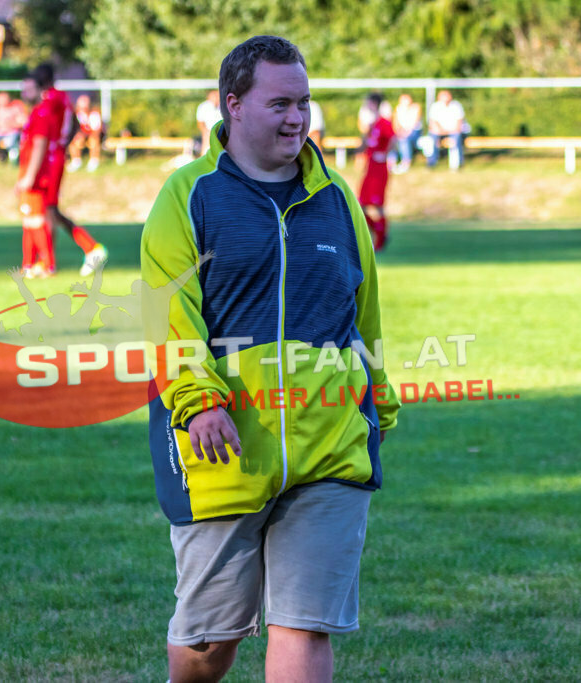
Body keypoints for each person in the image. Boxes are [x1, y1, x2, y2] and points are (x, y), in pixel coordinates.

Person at [141, 35, 399, 682]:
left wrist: (379, 404)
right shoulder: (188, 195)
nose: (297, 118)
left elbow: (363, 309)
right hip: (222, 447)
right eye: (281, 102)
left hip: (331, 442)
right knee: (209, 642)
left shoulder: (337, 198)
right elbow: (169, 315)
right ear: (233, 105)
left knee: (305, 624)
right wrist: (198, 401)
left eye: (304, 102)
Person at [15, 64, 106, 277]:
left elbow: (42, 136)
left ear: (40, 85)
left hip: (51, 158)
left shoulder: (49, 102)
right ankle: (40, 261)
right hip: (54, 154)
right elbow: (73, 121)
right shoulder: (62, 98)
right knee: (45, 210)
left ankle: (88, 248)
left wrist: (58, 144)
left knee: (47, 210)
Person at [358, 92, 396, 250]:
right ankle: (379, 231)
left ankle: (380, 240)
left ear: (374, 104)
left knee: (377, 205)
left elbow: (393, 139)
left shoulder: (384, 122)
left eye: (369, 103)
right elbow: (367, 143)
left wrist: (385, 154)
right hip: (370, 167)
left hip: (379, 168)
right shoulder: (372, 125)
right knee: (360, 204)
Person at [427, 89, 468, 169]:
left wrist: (449, 131)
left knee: (456, 138)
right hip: (440, 132)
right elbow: (433, 123)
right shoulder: (435, 106)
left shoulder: (456, 106)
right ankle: (432, 163)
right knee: (432, 139)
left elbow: (458, 124)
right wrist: (442, 131)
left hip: (454, 131)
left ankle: (458, 163)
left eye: (447, 96)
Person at [67, 94, 103, 172]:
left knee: (94, 141)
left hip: (91, 135)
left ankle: (93, 161)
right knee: (75, 141)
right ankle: (76, 161)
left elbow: (96, 129)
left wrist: (87, 135)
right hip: (80, 136)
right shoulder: (75, 114)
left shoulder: (94, 113)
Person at [392, 93, 422, 173]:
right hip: (402, 132)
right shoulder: (398, 109)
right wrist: (398, 132)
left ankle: (405, 163)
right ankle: (391, 162)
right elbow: (396, 124)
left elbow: (414, 123)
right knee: (392, 140)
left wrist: (405, 132)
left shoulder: (416, 108)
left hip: (414, 132)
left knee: (404, 140)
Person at [195, 89, 222, 156]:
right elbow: (200, 123)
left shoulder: (224, 106)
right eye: (214, 95)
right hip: (208, 133)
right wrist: (205, 132)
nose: (216, 97)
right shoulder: (203, 107)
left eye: (217, 95)